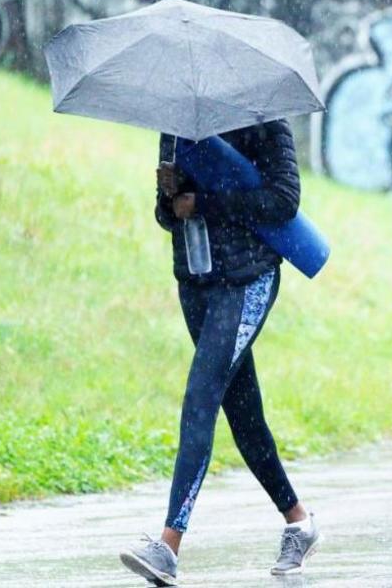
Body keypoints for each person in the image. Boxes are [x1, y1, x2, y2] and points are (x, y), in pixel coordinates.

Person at [119, 119, 321, 586]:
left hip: (247, 279)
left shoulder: (262, 114)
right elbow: (167, 215)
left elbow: (283, 199)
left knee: (201, 397)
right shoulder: (175, 120)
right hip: (196, 281)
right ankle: (299, 521)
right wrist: (170, 197)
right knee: (244, 414)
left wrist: (206, 200)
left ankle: (168, 546)